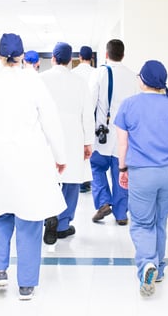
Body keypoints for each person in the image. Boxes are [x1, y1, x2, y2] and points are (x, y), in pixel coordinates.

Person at [0, 33, 67, 301]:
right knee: (29, 221)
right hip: (29, 164)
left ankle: (0, 271)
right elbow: (51, 123)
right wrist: (60, 156)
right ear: (22, 56)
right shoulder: (34, 83)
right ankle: (26, 285)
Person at [114, 60, 168, 297]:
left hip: (142, 174)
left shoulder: (129, 105)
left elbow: (122, 144)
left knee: (141, 223)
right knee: (160, 222)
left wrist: (122, 170)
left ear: (144, 79)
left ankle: (147, 264)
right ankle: (158, 270)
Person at [40, 42, 94, 244]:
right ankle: (62, 225)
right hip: (73, 137)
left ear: (53, 58)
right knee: (71, 181)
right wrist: (88, 142)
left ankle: (48, 215)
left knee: (48, 179)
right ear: (71, 60)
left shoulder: (41, 79)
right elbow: (87, 115)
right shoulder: (80, 82)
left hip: (46, 137)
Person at [89, 39, 139, 225]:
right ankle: (121, 214)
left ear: (106, 55)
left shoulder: (100, 72)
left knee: (96, 167)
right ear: (123, 55)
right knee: (121, 172)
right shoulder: (133, 77)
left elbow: (90, 103)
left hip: (102, 134)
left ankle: (103, 202)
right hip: (124, 137)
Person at [72, 45, 95, 193]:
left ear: (80, 57)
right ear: (91, 58)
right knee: (90, 148)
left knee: (76, 148)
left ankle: (80, 181)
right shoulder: (97, 72)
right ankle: (87, 181)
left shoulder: (73, 73)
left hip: (75, 115)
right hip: (91, 114)